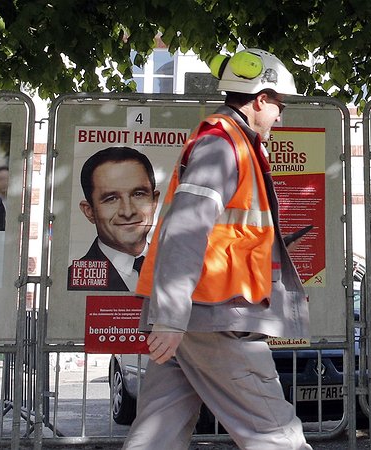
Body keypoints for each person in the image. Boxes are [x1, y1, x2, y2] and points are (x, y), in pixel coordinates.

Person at [125, 48, 312, 449]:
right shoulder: (223, 144)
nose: (281, 115)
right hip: (213, 317)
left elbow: (221, 232)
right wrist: (172, 317)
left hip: (194, 315)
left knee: (158, 432)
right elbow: (186, 230)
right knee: (275, 434)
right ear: (261, 99)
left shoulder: (229, 143)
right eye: (280, 105)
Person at [69, 147, 159, 291]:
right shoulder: (71, 281)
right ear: (89, 211)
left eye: (138, 194)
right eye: (111, 199)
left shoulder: (182, 270)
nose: (128, 212)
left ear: (154, 202)